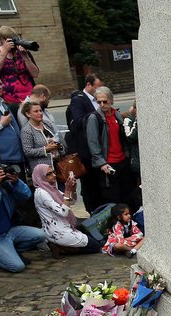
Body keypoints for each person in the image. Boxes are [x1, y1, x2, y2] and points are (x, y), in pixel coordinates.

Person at [87, 86, 140, 210]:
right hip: (109, 164)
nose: (102, 104)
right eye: (99, 102)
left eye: (105, 101)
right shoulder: (94, 118)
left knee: (128, 196)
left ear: (111, 100)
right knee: (113, 199)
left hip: (123, 161)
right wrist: (102, 163)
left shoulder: (116, 115)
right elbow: (92, 142)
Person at [31, 164, 102, 256]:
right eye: (49, 174)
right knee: (96, 246)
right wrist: (67, 191)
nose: (54, 175)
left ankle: (59, 245)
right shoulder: (41, 193)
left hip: (64, 227)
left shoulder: (51, 189)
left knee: (90, 233)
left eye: (53, 172)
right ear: (40, 177)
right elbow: (63, 212)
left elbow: (71, 202)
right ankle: (62, 248)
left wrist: (73, 189)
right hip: (59, 232)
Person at [66, 73, 104, 212]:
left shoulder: (96, 100)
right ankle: (93, 212)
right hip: (86, 152)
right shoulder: (79, 100)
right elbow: (77, 123)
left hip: (98, 149)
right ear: (88, 85)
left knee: (99, 185)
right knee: (90, 186)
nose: (99, 90)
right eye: (97, 87)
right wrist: (96, 115)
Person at [0, 26, 39, 112]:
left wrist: (25, 56)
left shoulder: (22, 52)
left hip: (29, 97)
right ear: (3, 40)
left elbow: (35, 74)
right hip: (8, 99)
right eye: (10, 40)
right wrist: (5, 51)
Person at [19, 101, 63, 173]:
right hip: (42, 169)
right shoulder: (26, 130)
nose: (40, 113)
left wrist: (59, 146)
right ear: (28, 114)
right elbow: (28, 151)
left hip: (58, 165)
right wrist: (46, 149)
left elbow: (58, 138)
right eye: (36, 111)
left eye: (40, 111)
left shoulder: (47, 124)